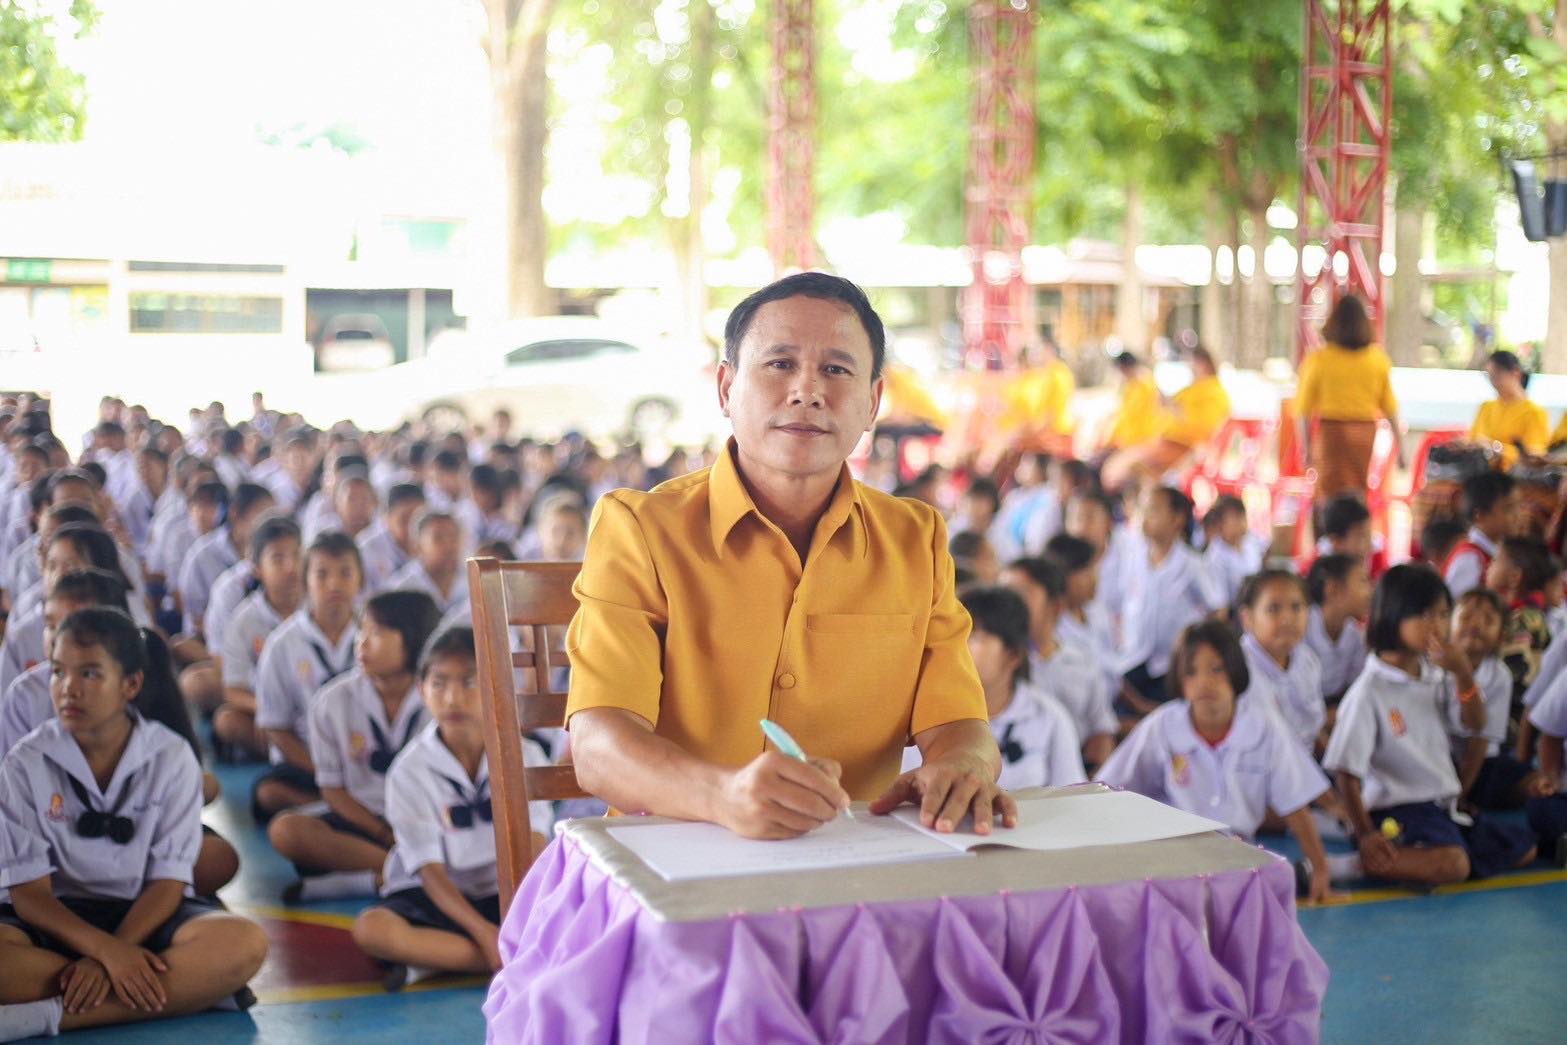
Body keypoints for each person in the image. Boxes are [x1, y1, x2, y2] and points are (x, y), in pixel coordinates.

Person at [565, 272, 1011, 840]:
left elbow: (959, 725)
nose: (808, 391)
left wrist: (963, 767)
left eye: (837, 370)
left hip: (852, 858)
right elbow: (599, 747)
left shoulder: (914, 540)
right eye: (779, 364)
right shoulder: (642, 530)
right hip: (675, 856)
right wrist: (722, 796)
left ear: (873, 401)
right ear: (726, 388)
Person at [0, 609, 267, 1037]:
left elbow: (167, 883)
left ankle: (45, 1015)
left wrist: (116, 953)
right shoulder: (24, 763)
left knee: (245, 942)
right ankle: (186, 992)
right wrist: (107, 954)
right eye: (58, 672)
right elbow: (30, 896)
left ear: (131, 685)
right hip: (57, 918)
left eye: (90, 673)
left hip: (143, 914)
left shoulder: (171, 756)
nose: (69, 688)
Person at [352, 627, 552, 991]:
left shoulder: (526, 754)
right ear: (421, 690)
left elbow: (535, 844)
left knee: (583, 912)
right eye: (439, 683)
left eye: (469, 682)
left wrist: (521, 912)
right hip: (440, 896)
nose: (452, 698)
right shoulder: (409, 771)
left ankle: (437, 963)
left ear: (495, 687)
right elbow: (430, 873)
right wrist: (483, 932)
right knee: (373, 929)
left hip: (506, 891)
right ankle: (510, 955)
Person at [1322, 565, 1536, 885]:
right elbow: (1346, 774)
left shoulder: (1436, 675)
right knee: (1453, 865)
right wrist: (1366, 835)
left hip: (1440, 806)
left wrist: (1463, 675)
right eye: (1425, 615)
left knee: (1523, 849)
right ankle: (1347, 865)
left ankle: (1416, 856)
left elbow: (1476, 724)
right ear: (1392, 616)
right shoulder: (1369, 691)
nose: (1438, 625)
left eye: (1443, 614)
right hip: (1397, 811)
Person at [1095, 620, 1338, 904]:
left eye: (1216, 670)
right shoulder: (1163, 726)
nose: (1204, 682)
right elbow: (1106, 789)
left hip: (1236, 858)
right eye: (1191, 672)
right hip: (1171, 862)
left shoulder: (1264, 729)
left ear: (1235, 672)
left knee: (1272, 880)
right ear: (1179, 680)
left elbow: (1295, 804)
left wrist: (1320, 868)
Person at [270, 591, 441, 902]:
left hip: (428, 819)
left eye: (377, 633)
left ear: (414, 639)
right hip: (365, 820)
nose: (361, 643)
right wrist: (383, 834)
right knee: (286, 831)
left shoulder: (440, 700)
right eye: (361, 630)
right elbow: (333, 791)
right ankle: (415, 874)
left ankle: (364, 881)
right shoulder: (332, 701)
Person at [902, 586, 1085, 790]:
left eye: (974, 637)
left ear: (1013, 655)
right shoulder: (921, 712)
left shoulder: (1049, 717)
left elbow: (1073, 795)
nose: (959, 648)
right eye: (955, 637)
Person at [251, 532, 363, 823]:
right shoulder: (282, 644)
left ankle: (340, 813)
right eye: (322, 574)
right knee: (269, 793)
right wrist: (324, 772)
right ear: (305, 582)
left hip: (364, 758)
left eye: (345, 573)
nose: (334, 584)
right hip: (308, 761)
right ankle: (344, 809)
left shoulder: (374, 637)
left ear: (360, 580)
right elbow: (276, 728)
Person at [1116, 486, 1223, 716]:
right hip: (1133, 658)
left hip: (1171, 665)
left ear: (1177, 519)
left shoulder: (1192, 564)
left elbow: (1217, 609)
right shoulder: (1133, 558)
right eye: (1143, 509)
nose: (1145, 517)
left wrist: (1197, 649)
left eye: (1153, 510)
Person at [1001, 557, 1115, 768]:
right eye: (1004, 595)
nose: (1008, 606)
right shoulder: (999, 668)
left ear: (1055, 606)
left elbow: (1101, 729)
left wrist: (1094, 779)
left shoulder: (1082, 661)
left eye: (1020, 594)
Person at [1294, 295, 1406, 502]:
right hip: (1365, 433)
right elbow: (1390, 408)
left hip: (1332, 434)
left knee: (1329, 494)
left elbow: (1303, 409)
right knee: (1357, 492)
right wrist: (1400, 450)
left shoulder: (1319, 359)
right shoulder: (1377, 359)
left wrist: (1307, 449)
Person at [1101, 346, 1230, 492]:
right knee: (1113, 468)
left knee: (1120, 470)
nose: (1189, 367)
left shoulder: (1215, 392)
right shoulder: (1193, 388)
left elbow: (1205, 427)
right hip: (1160, 441)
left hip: (1182, 446)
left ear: (1203, 363)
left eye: (1192, 362)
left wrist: (1176, 410)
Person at [1445, 589, 1527, 811]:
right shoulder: (1433, 666)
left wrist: (1459, 794)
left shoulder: (1499, 676)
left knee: (1518, 780)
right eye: (1466, 617)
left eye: (1488, 620)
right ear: (1448, 625)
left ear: (1501, 636)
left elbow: (1479, 743)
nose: (1475, 624)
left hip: (1479, 763)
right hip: (1439, 756)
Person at [1238, 570, 1327, 756]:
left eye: (1296, 607)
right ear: (1248, 618)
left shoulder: (1307, 660)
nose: (1287, 619)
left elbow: (1313, 729)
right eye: (1273, 609)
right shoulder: (1238, 669)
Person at [1304, 553, 1372, 706]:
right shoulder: (1301, 630)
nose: (1369, 592)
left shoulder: (1354, 634)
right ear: (1333, 589)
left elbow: (1355, 685)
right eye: (1362, 582)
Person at [1442, 471, 1519, 600]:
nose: (1518, 515)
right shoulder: (1470, 558)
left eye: (1519, 506)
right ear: (1480, 516)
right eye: (1508, 509)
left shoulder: (1498, 552)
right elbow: (1460, 605)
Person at [1469, 350, 1549, 470]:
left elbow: (1534, 457)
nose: (1494, 383)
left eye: (1497, 376)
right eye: (1490, 377)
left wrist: (1497, 448)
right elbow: (1473, 440)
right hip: (1480, 473)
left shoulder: (1534, 412)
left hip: (1512, 477)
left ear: (1515, 373)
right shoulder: (1486, 407)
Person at [386, 510, 469, 616]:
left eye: (454, 537)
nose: (448, 545)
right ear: (418, 546)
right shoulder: (401, 588)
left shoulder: (473, 580)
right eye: (438, 538)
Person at [1202, 495, 1266, 609]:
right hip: (1236, 611)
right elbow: (1221, 604)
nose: (1242, 522)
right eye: (1235, 518)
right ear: (1221, 523)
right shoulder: (1214, 557)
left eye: (1243, 516)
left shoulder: (1251, 541)